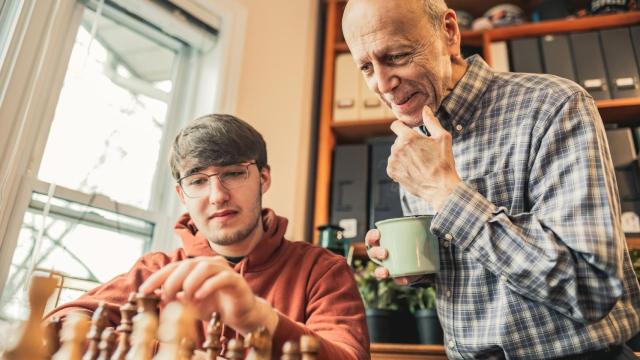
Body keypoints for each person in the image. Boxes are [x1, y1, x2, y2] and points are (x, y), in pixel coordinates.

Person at [342, 0, 640, 359]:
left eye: (397, 56)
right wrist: (414, 266)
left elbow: (591, 289)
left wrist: (446, 193)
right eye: (365, 67)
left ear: (449, 33)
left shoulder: (554, 106)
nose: (382, 84)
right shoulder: (415, 140)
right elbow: (475, 267)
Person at [47, 114, 369, 359]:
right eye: (198, 180)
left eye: (233, 173)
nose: (217, 196)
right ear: (181, 193)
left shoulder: (323, 270)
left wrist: (259, 318)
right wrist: (167, 351)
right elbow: (58, 326)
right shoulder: (156, 271)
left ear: (264, 178)